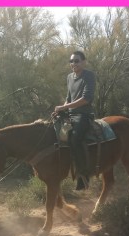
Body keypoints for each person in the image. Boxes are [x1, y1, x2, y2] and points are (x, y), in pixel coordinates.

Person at [53, 51, 95, 191]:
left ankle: (83, 176)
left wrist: (64, 106)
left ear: (84, 62)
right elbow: (68, 98)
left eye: (76, 61)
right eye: (71, 61)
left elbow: (85, 99)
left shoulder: (89, 76)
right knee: (54, 133)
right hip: (70, 115)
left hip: (83, 115)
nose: (73, 64)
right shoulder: (69, 77)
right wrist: (61, 110)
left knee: (75, 139)